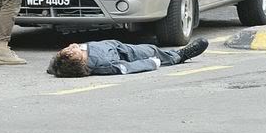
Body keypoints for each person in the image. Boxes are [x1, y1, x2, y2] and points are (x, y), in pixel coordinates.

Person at [47, 38, 209, 77]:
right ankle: (179, 56)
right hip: (127, 53)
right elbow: (127, 67)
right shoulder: (101, 64)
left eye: (68, 48)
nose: (72, 46)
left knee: (150, 47)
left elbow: (56, 63)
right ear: (81, 60)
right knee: (152, 50)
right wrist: (151, 63)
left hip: (117, 44)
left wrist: (54, 68)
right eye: (72, 50)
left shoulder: (66, 58)